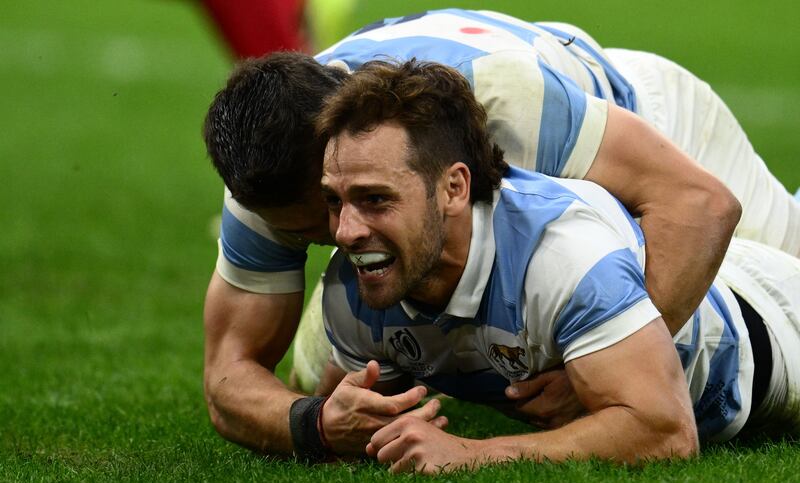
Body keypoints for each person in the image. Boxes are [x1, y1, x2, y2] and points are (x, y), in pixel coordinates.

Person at [201, 9, 799, 455]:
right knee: (316, 372)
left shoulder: (501, 100)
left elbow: (699, 202)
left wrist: (607, 362)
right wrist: (316, 422)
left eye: (366, 200)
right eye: (321, 224)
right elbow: (229, 374)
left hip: (646, 122)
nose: (346, 232)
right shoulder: (262, 172)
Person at [316, 59, 800, 473]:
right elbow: (348, 423)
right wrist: (329, 423)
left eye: (375, 199)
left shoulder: (558, 255)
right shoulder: (353, 286)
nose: (346, 232)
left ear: (454, 189)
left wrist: (472, 453)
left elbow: (665, 432)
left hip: (769, 329)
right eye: (335, 201)